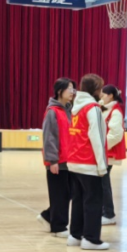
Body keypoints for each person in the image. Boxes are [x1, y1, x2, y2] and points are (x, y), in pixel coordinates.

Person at [66, 74, 110, 250]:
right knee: (93, 201)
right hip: (89, 162)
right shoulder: (93, 108)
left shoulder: (76, 107)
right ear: (96, 89)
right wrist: (102, 166)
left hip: (74, 161)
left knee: (78, 200)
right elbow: (97, 138)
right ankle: (91, 238)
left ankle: (75, 235)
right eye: (101, 88)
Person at [39, 78, 75, 237]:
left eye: (73, 89)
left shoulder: (69, 110)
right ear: (60, 91)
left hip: (69, 159)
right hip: (57, 161)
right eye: (69, 89)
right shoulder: (52, 111)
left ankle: (48, 216)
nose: (72, 92)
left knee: (69, 193)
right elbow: (49, 138)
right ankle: (58, 227)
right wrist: (52, 160)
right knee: (59, 194)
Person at [100, 83, 125, 225]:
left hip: (107, 153)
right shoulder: (104, 108)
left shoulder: (115, 112)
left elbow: (116, 135)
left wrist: (100, 147)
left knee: (103, 183)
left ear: (110, 96)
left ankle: (109, 214)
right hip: (102, 152)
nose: (101, 96)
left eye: (103, 94)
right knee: (101, 183)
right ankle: (104, 212)